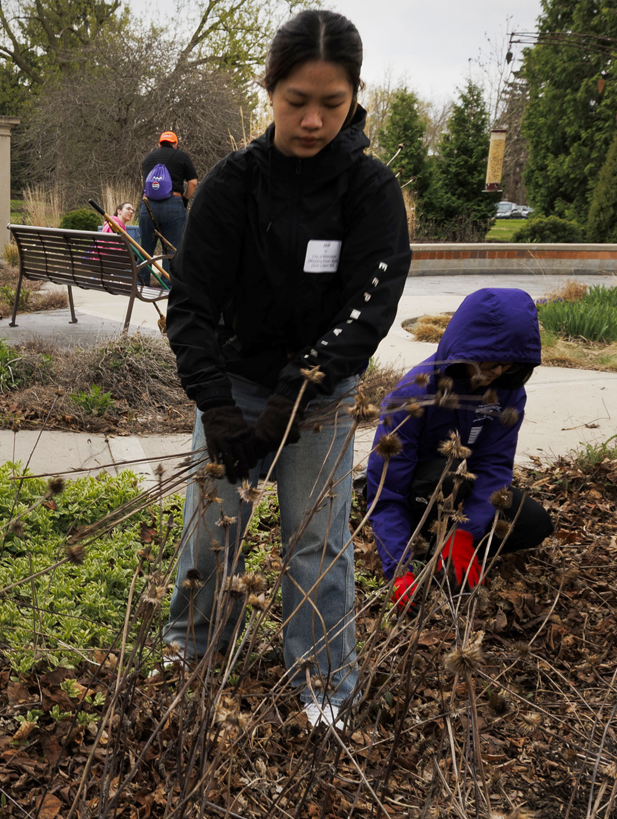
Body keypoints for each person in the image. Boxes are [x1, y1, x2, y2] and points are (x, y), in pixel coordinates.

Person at [161, 8, 409, 732]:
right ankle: (189, 651)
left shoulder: (370, 192)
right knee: (211, 530)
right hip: (234, 386)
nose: (313, 120)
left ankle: (325, 683)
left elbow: (369, 310)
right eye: (297, 101)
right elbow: (191, 306)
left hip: (320, 397)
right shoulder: (233, 187)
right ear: (269, 90)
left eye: (332, 104)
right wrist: (221, 409)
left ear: (354, 97)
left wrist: (297, 393)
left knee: (315, 542)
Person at [364, 288, 557, 609]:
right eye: (490, 362)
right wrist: (398, 567)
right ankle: (420, 553)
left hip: (464, 491)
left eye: (507, 366)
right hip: (416, 494)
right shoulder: (414, 392)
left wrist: (466, 532)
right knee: (448, 474)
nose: (496, 373)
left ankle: (452, 552)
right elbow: (387, 493)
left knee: (533, 521)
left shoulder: (508, 392)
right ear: (468, 347)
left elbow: (495, 466)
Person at [137, 131, 199, 284]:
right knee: (171, 251)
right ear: (175, 144)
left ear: (159, 143)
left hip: (148, 206)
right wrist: (184, 199)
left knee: (145, 250)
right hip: (173, 204)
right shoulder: (182, 156)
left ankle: (141, 286)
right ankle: (168, 287)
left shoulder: (148, 158)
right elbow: (193, 183)